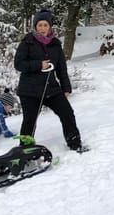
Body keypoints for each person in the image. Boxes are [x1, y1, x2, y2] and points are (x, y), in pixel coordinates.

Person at [14, 9, 85, 152]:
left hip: (51, 89)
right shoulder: (27, 42)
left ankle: (74, 143)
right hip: (29, 91)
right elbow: (19, 64)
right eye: (39, 25)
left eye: (45, 25)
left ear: (50, 26)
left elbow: (61, 68)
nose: (42, 28)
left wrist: (66, 87)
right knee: (30, 121)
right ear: (35, 26)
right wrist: (38, 65)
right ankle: (25, 151)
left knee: (67, 114)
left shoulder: (56, 44)